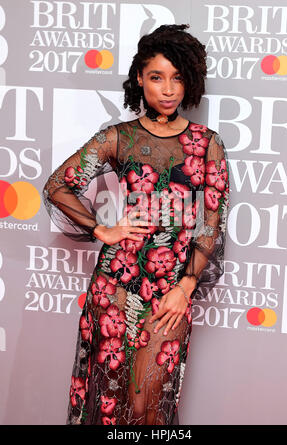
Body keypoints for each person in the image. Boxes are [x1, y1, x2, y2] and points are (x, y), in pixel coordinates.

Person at [43, 24, 229, 425]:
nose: (167, 89)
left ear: (190, 81)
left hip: (171, 292)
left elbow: (211, 222)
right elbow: (58, 185)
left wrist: (186, 286)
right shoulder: (119, 138)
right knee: (110, 403)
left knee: (150, 408)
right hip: (116, 284)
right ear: (139, 79)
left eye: (178, 78)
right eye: (157, 77)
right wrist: (102, 229)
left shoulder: (207, 143)